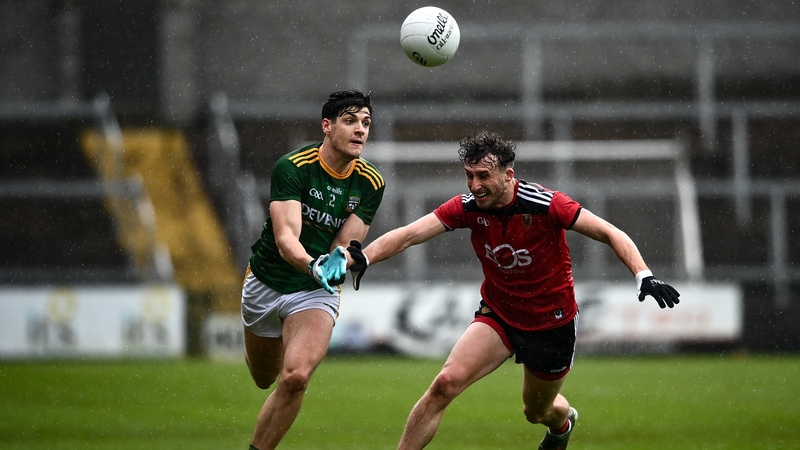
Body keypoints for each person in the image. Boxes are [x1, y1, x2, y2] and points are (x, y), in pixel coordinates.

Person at [345, 131, 680, 450]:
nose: (474, 185)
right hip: (499, 314)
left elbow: (610, 232)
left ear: (508, 175)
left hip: (552, 325)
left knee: (536, 412)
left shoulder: (545, 204)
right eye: (469, 175)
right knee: (444, 385)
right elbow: (408, 234)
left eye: (483, 176)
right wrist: (364, 257)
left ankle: (561, 425)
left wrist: (643, 275)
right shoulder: (467, 206)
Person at [241, 89, 385, 450]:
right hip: (267, 281)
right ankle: (268, 340)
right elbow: (286, 237)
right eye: (350, 121)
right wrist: (313, 264)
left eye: (366, 123)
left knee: (296, 377)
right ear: (327, 125)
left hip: (315, 290)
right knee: (264, 378)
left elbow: (347, 243)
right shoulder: (293, 167)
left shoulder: (371, 182)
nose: (360, 130)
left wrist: (339, 261)